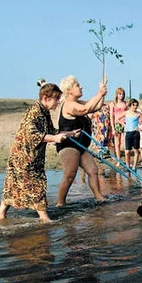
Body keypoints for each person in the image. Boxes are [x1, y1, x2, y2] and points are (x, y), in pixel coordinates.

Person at [0, 80, 80, 223]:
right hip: (24, 157)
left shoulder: (44, 111)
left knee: (13, 185)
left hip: (30, 157)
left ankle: (0, 215)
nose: (58, 102)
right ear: (46, 98)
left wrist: (70, 133)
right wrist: (55, 139)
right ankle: (44, 218)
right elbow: (32, 134)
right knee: (36, 184)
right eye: (56, 99)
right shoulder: (35, 111)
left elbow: (51, 131)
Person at [56, 75, 107, 206]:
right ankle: (60, 203)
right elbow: (85, 110)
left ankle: (99, 197)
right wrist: (99, 93)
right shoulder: (68, 105)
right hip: (69, 145)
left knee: (93, 171)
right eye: (78, 85)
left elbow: (95, 107)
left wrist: (103, 92)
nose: (81, 87)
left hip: (81, 146)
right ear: (69, 90)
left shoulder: (79, 102)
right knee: (70, 175)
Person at [123, 98, 142, 171]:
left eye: (136, 105)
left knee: (136, 150)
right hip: (128, 133)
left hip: (136, 133)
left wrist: (141, 128)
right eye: (133, 105)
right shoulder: (126, 113)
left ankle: (134, 166)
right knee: (127, 151)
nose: (135, 107)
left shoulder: (138, 114)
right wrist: (123, 125)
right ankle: (127, 165)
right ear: (130, 105)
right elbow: (117, 119)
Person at [109, 87, 128, 163]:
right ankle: (119, 160)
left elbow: (128, 113)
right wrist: (113, 128)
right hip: (117, 124)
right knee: (117, 143)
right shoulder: (113, 103)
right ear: (117, 94)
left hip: (125, 123)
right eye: (120, 94)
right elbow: (111, 116)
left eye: (122, 94)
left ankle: (127, 160)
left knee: (126, 142)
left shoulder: (125, 103)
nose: (121, 96)